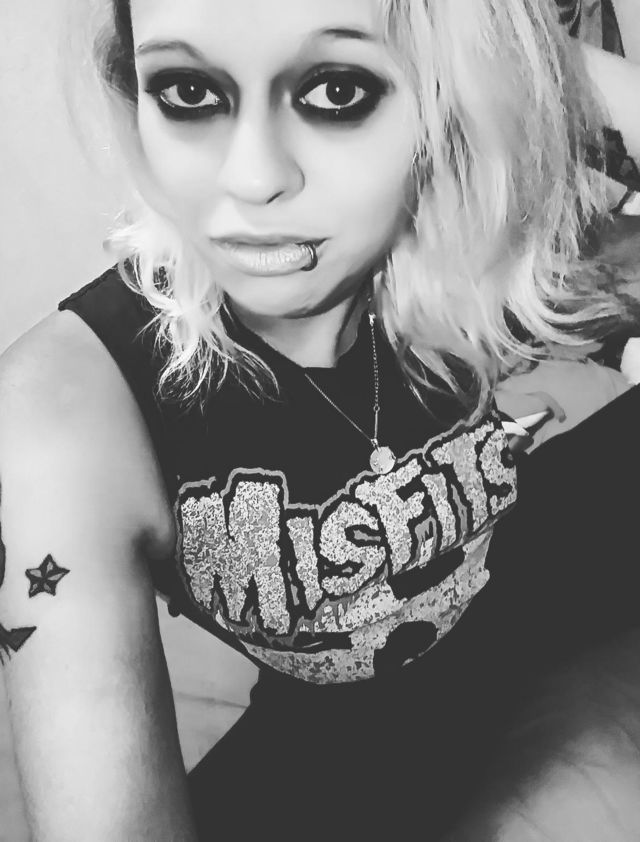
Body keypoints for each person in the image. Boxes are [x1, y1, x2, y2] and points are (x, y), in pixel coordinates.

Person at [0, 1, 639, 840]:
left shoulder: (479, 246)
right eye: (189, 91)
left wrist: (523, 55)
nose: (251, 178)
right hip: (341, 763)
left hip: (552, 602)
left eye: (336, 90)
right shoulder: (63, 407)